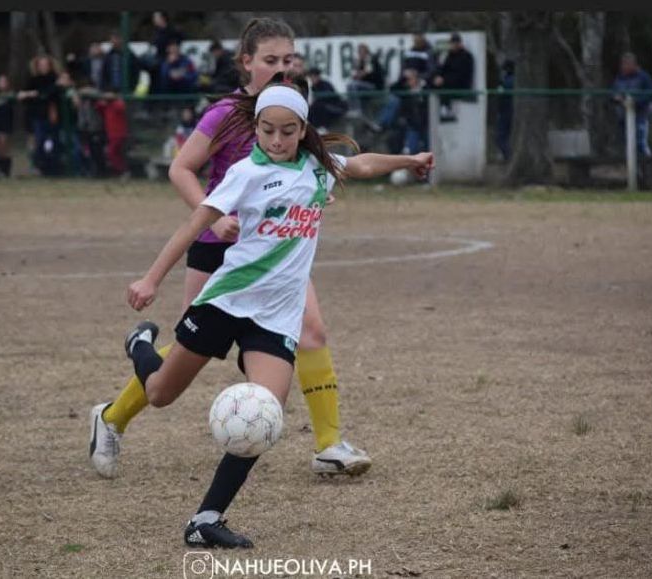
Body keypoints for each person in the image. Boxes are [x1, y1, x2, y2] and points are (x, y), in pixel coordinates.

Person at [122, 80, 434, 549]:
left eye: (287, 131)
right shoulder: (245, 173)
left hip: (275, 318)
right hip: (226, 302)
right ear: (257, 128)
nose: (277, 140)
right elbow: (194, 226)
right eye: (268, 130)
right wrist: (150, 280)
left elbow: (363, 162)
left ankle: (205, 518)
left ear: (302, 128)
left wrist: (409, 161)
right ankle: (139, 346)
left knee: (263, 418)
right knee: (162, 392)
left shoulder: (318, 168)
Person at [90, 17, 373, 482]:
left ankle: (328, 445)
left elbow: (310, 167)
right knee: (189, 349)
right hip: (218, 247)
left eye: (288, 59)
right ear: (246, 63)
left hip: (277, 247)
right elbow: (181, 169)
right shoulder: (224, 114)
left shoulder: (291, 109)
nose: (282, 68)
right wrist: (216, 216)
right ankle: (112, 417)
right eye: (270, 60)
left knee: (313, 332)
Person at [18, 55, 62, 176]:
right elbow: (24, 97)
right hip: (37, 115)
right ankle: (40, 166)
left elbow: (50, 93)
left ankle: (53, 167)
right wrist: (30, 95)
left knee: (52, 141)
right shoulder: (33, 80)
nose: (43, 67)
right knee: (39, 140)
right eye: (41, 65)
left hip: (51, 115)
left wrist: (34, 94)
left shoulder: (54, 78)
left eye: (46, 65)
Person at [611, 52, 652, 158]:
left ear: (634, 65)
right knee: (626, 143)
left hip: (640, 115)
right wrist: (616, 98)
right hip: (623, 116)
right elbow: (613, 92)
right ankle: (631, 170)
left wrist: (637, 100)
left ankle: (646, 167)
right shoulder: (619, 78)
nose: (625, 66)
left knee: (640, 143)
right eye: (623, 64)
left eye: (628, 64)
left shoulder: (643, 77)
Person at [431, 32, 475, 122]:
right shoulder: (449, 55)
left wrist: (444, 80)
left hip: (461, 84)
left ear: (460, 43)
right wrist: (437, 77)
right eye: (452, 43)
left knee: (444, 87)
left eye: (455, 43)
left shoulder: (466, 56)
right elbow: (443, 69)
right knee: (431, 84)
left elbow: (462, 75)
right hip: (448, 81)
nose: (453, 45)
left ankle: (446, 110)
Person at [346, 43, 385, 116]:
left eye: (362, 52)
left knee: (354, 85)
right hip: (364, 85)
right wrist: (358, 69)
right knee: (349, 85)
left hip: (374, 86)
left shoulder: (371, 59)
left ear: (366, 52)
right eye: (359, 52)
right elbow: (354, 75)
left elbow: (365, 73)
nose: (360, 54)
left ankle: (357, 109)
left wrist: (359, 73)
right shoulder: (358, 61)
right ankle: (352, 109)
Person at [306, 66, 348, 132]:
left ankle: (321, 128)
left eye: (314, 76)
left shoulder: (325, 85)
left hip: (335, 107)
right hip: (324, 108)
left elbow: (329, 98)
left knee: (318, 107)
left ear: (318, 76)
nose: (312, 79)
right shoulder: (313, 87)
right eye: (311, 77)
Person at [495, 59, 514, 162]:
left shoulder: (508, 82)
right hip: (507, 111)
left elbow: (501, 96)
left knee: (500, 137)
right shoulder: (508, 81)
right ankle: (508, 157)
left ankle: (509, 157)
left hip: (506, 112)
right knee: (503, 137)